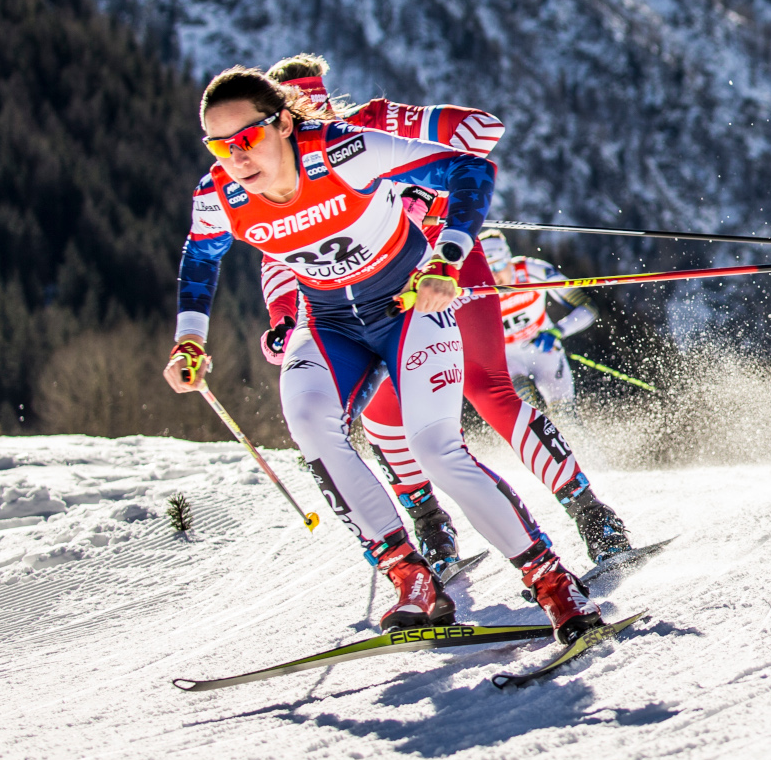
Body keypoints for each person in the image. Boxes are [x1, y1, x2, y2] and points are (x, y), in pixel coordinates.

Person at [168, 67, 602, 641]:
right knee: (308, 423)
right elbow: (201, 258)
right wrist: (190, 339)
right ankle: (410, 576)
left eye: (246, 138)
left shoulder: (343, 153)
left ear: (285, 123)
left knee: (436, 448)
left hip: (406, 311)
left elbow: (471, 167)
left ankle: (553, 585)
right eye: (219, 146)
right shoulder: (218, 194)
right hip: (328, 323)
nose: (235, 157)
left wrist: (446, 257)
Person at [256, 55, 632, 572]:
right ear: (280, 119)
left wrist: (424, 172)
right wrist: (281, 316)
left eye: (318, 98)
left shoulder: (369, 125)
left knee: (487, 388)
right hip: (373, 294)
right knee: (384, 418)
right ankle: (433, 528)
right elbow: (275, 258)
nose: (314, 113)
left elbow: (482, 130)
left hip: (445, 266)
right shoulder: (276, 177)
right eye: (300, 106)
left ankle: (593, 516)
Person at [478, 229, 597, 416]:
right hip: (508, 357)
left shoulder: (533, 271)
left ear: (509, 260)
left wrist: (557, 331)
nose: (495, 277)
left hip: (544, 348)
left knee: (565, 415)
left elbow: (588, 309)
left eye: (499, 265)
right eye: (487, 269)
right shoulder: (477, 288)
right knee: (526, 412)